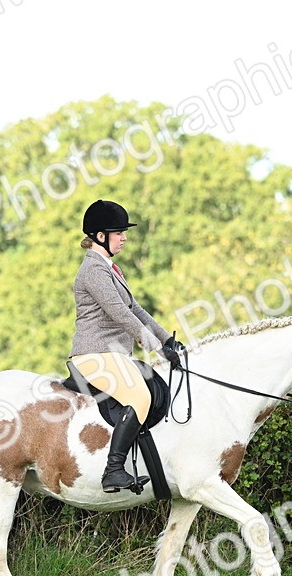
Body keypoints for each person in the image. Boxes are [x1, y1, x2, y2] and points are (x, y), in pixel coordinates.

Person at [68, 199, 186, 493]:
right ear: (100, 236)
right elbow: (120, 314)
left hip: (113, 355)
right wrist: (157, 349)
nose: (124, 238)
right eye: (118, 233)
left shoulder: (110, 268)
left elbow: (136, 309)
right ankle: (113, 470)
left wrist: (167, 339)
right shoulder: (93, 270)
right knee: (140, 397)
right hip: (94, 354)